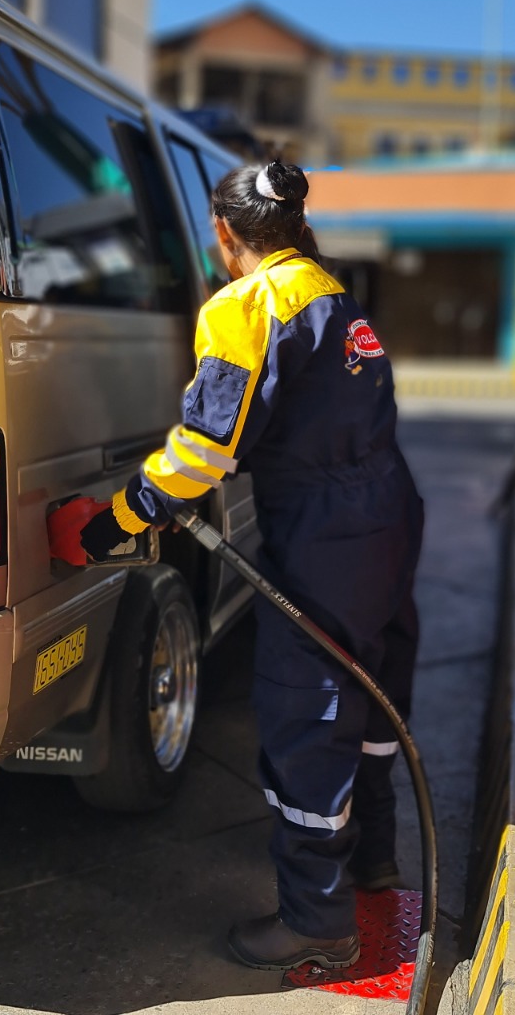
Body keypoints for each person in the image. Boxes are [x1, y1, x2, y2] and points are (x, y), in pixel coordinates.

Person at [76, 159, 424, 971]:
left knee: (311, 711)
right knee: (371, 687)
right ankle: (375, 860)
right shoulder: (331, 293)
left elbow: (205, 448)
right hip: (388, 512)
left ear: (224, 234)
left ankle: (318, 923)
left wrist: (118, 518)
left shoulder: (246, 305)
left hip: (325, 530)